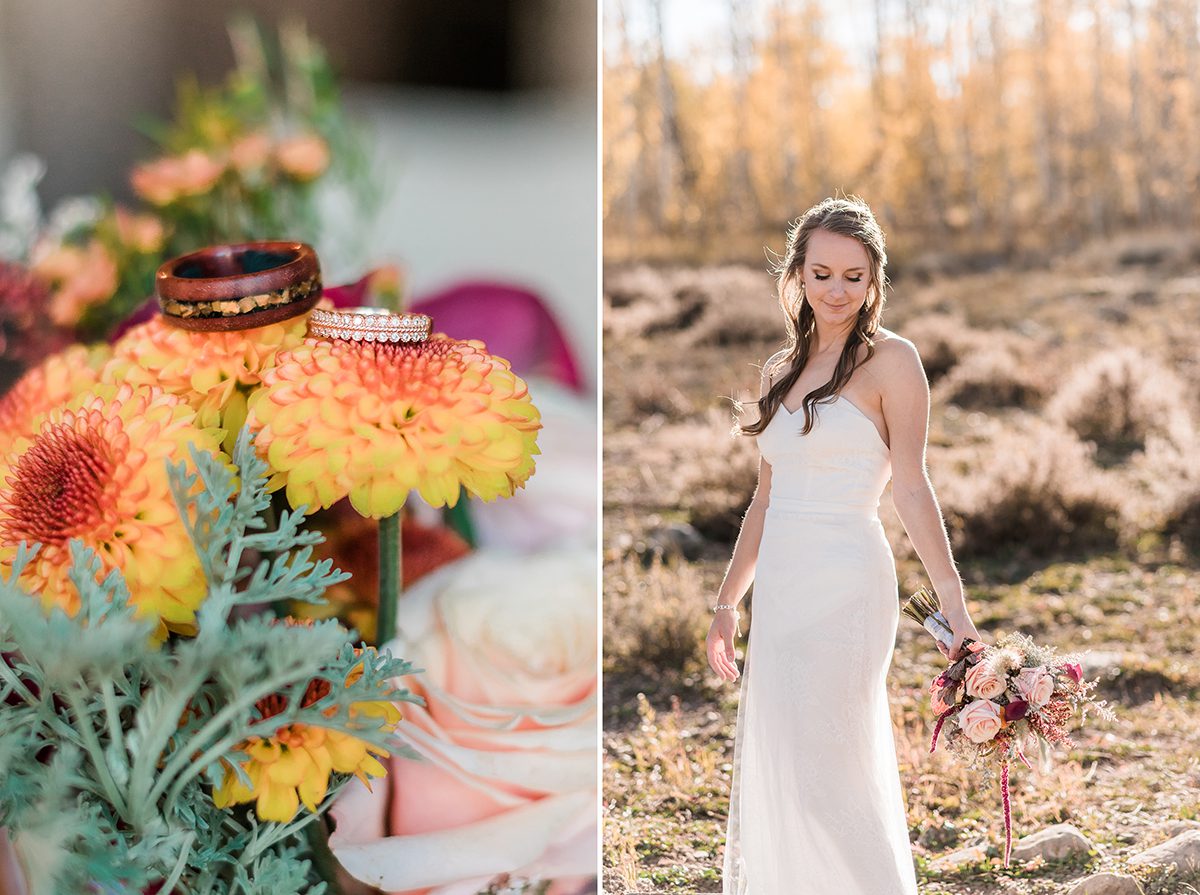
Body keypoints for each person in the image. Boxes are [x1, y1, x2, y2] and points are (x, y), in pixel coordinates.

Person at [705, 196, 982, 894]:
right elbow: (764, 500)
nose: (837, 291)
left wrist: (955, 604)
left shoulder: (894, 362)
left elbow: (912, 488)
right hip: (784, 591)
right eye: (822, 273)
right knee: (787, 765)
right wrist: (726, 602)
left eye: (853, 277)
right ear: (798, 273)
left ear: (874, 281)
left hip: (848, 585)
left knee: (831, 773)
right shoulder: (777, 370)